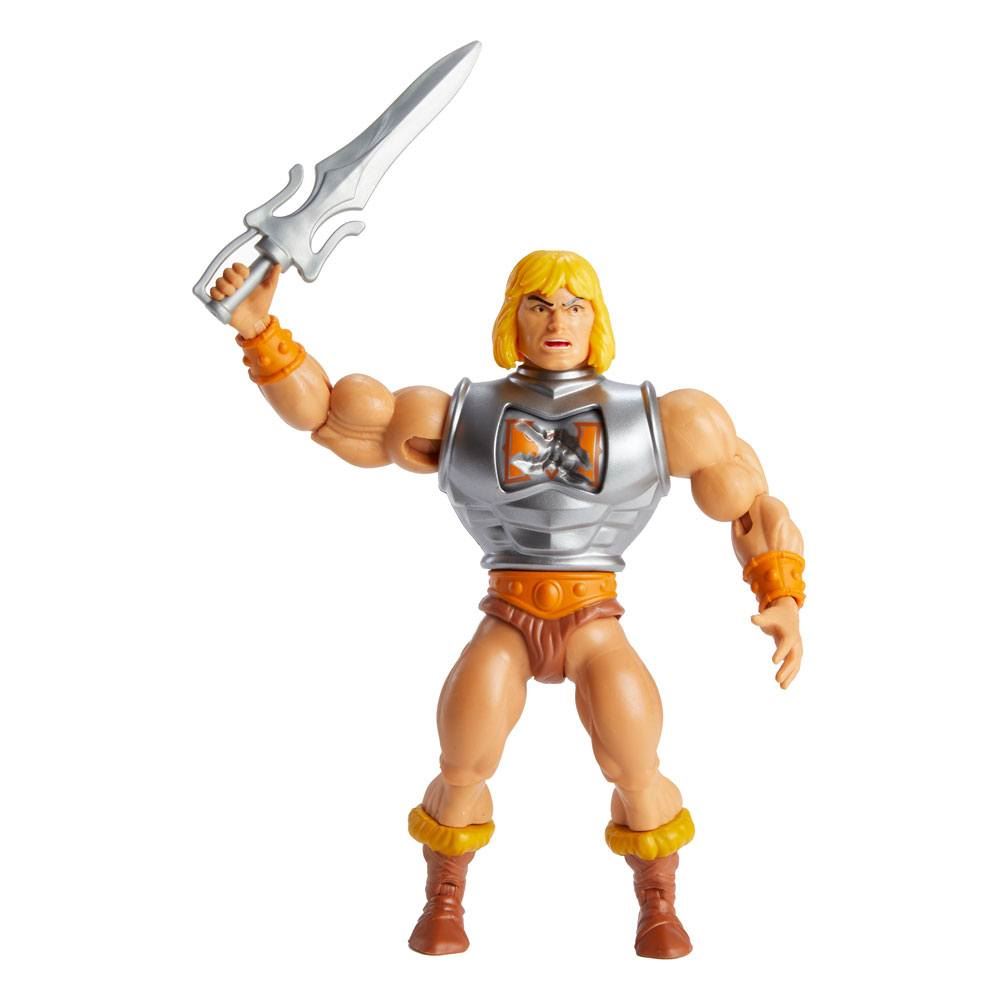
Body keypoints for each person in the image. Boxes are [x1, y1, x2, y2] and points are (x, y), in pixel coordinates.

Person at [209, 248, 805, 959]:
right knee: (464, 760)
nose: (557, 321)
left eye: (574, 306)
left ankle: (658, 900)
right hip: (508, 615)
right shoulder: (462, 413)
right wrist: (261, 333)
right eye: (539, 305)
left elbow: (748, 501)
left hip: (594, 620)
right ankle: (444, 893)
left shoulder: (664, 418)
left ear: (597, 320)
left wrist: (780, 594)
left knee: (635, 762)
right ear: (511, 320)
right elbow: (337, 419)